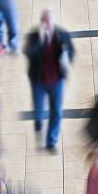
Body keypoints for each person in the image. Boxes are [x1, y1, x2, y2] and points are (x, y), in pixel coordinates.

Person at [23, 10, 75, 153]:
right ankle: (39, 126)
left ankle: (51, 141)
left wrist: (67, 57)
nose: (47, 25)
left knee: (56, 112)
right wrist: (40, 40)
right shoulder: (34, 36)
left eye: (49, 22)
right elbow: (28, 53)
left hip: (56, 80)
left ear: (52, 22)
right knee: (39, 113)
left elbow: (71, 51)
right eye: (44, 22)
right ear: (41, 22)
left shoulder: (61, 34)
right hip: (38, 81)